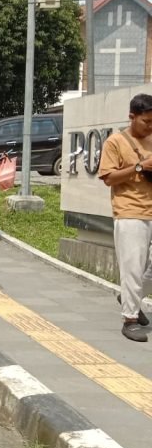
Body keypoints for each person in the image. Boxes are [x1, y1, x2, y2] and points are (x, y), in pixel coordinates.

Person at [97, 93, 152, 342]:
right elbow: (108, 178)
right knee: (133, 267)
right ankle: (130, 319)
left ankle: (131, 297)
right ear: (132, 116)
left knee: (144, 270)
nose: (149, 126)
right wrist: (140, 167)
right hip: (130, 211)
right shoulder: (115, 142)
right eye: (146, 121)